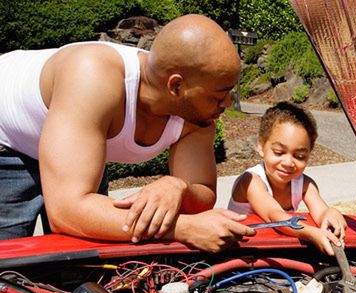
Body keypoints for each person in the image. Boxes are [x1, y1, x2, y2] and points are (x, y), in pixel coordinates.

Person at [0, 14, 256, 252]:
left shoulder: (197, 114)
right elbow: (67, 212)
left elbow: (202, 193)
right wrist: (182, 228)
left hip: (67, 146)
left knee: (82, 270)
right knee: (9, 269)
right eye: (219, 94)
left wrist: (177, 187)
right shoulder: (93, 78)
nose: (227, 103)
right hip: (7, 140)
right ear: (176, 85)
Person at [228, 102, 347, 256]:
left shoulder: (305, 184)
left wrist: (331, 214)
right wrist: (312, 234)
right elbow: (275, 216)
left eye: (299, 156)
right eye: (279, 152)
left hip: (275, 250)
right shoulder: (251, 181)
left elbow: (321, 212)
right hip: (239, 253)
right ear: (261, 146)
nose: (288, 163)